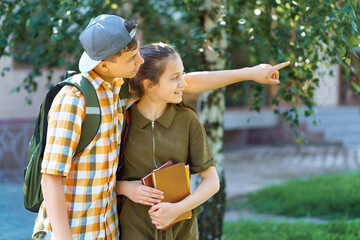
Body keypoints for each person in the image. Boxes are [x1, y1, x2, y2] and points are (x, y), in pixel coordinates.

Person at [32, 13, 289, 240]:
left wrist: (249, 72)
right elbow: (51, 176)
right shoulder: (74, 99)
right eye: (132, 58)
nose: (140, 63)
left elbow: (185, 82)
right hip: (73, 230)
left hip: (106, 229)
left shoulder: (118, 90)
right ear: (104, 65)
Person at [116, 42, 220, 240]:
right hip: (134, 228)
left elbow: (212, 181)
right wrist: (124, 188)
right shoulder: (121, 121)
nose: (183, 83)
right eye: (175, 78)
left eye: (183, 74)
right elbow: (96, 177)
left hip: (183, 230)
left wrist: (177, 209)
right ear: (149, 85)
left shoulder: (188, 120)